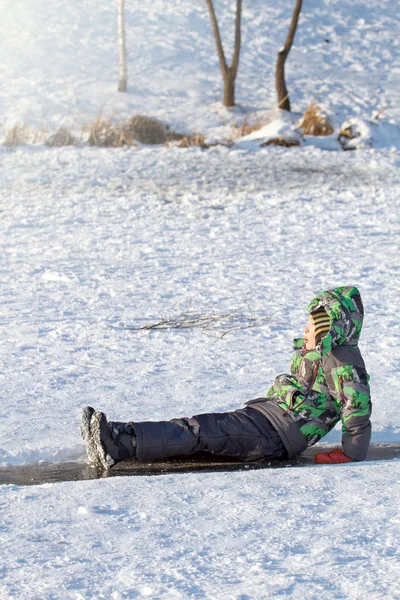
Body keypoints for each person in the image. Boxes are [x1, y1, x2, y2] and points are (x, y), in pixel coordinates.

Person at [81, 286, 372, 470]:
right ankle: (119, 434)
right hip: (267, 418)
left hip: (276, 434)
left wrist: (351, 452)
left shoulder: (342, 362)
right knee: (201, 432)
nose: (305, 331)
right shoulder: (322, 353)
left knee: (199, 430)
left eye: (312, 327)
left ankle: (118, 443)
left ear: (329, 330)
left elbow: (357, 406)